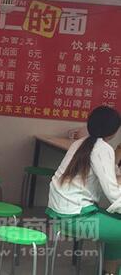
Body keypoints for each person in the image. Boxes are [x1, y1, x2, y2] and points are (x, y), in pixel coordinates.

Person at [47, 105, 121, 275]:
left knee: (117, 222)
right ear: (114, 131)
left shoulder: (80, 143)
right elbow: (113, 194)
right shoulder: (103, 149)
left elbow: (108, 174)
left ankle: (108, 271)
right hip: (77, 217)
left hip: (59, 213)